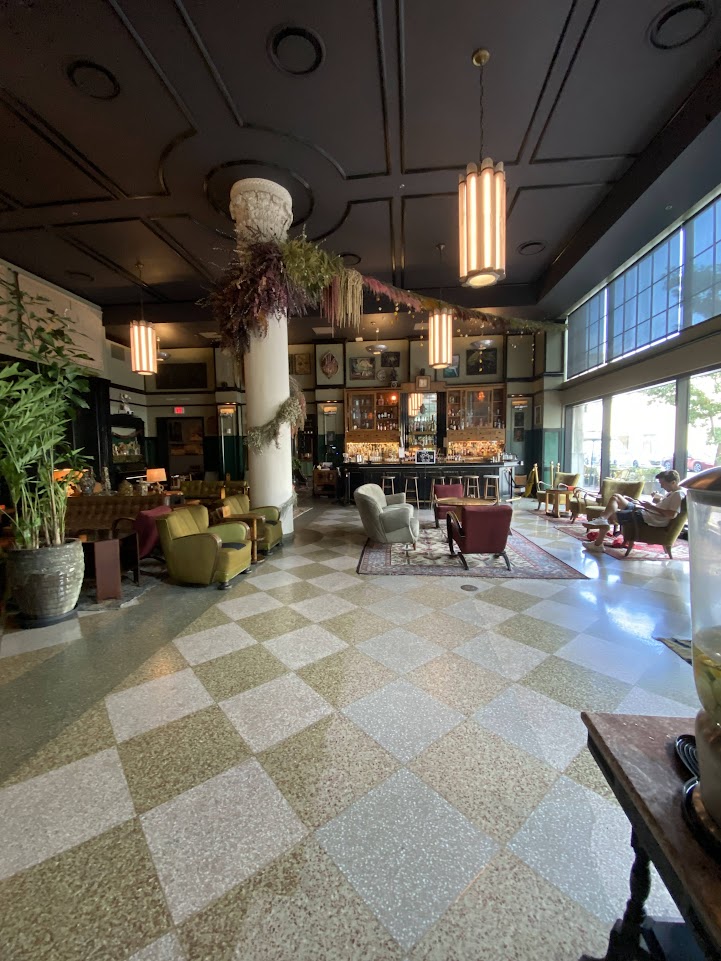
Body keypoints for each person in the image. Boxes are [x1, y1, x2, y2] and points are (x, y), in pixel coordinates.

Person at [582, 469, 685, 553]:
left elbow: (671, 514)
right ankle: (602, 522)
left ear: (673, 482)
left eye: (663, 484)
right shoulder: (673, 493)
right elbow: (664, 508)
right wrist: (648, 502)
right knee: (616, 497)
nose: (662, 486)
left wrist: (650, 507)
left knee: (610, 515)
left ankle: (598, 542)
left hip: (645, 517)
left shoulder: (678, 495)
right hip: (645, 513)